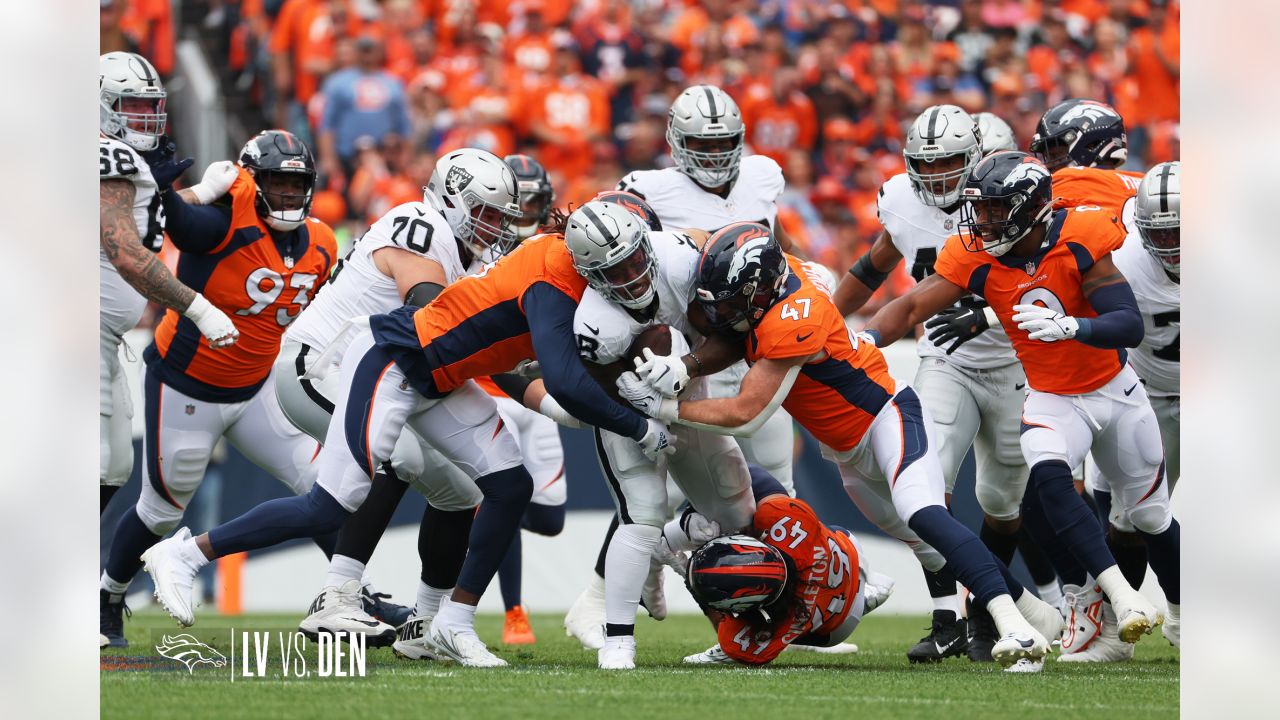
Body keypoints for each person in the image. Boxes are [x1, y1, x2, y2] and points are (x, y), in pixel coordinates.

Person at [141, 196, 677, 668]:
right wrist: (638, 427)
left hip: (441, 378)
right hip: (395, 362)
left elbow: (524, 363)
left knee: (508, 484)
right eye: (616, 264)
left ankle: (448, 624)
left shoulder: (563, 265)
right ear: (583, 259)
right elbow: (562, 377)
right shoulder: (553, 279)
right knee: (331, 505)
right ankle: (186, 553)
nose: (629, 273)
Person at [616, 222, 1063, 670]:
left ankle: (1012, 626)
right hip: (847, 451)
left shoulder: (795, 313)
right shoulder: (775, 283)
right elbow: (740, 333)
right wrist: (688, 363)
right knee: (930, 543)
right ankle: (1036, 613)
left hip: (887, 418)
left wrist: (665, 407)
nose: (722, 312)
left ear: (761, 287)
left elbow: (745, 414)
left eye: (732, 300)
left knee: (924, 513)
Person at [864, 151, 1177, 658]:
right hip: (1045, 394)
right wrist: (865, 337)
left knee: (1146, 517)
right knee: (1028, 486)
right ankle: (1101, 604)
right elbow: (913, 304)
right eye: (979, 209)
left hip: (1113, 388)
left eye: (992, 210)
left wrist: (1075, 326)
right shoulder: (974, 253)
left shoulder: (1080, 235)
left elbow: (1127, 322)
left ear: (1030, 209)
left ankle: (1161, 618)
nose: (980, 221)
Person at [274, 149, 550, 648]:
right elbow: (434, 319)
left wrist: (546, 396)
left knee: (460, 490)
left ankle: (425, 624)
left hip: (390, 375)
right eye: (485, 213)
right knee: (397, 457)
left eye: (500, 217)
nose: (494, 227)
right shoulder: (419, 223)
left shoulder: (474, 257)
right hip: (320, 364)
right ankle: (336, 598)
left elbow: (470, 343)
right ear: (451, 200)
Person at [565, 85, 800, 648]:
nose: (715, 155)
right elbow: (607, 246)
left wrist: (799, 269)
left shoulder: (763, 175)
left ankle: (783, 620)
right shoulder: (649, 188)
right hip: (694, 355)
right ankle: (602, 596)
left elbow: (771, 243)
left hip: (751, 348)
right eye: (701, 142)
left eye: (723, 143)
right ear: (675, 141)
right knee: (660, 495)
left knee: (776, 492)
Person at [100, 129, 337, 648]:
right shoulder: (219, 224)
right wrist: (169, 192)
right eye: (276, 183)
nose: (289, 195)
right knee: (162, 511)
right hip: (189, 386)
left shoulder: (322, 240)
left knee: (330, 487)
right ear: (250, 182)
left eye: (297, 185)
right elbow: (179, 224)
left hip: (259, 389)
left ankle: (347, 597)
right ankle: (109, 594)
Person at [830, 104, 1028, 663]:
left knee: (1001, 501)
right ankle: (947, 617)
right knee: (923, 482)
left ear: (976, 158)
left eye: (950, 165)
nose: (939, 177)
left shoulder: (1003, 194)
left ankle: (986, 616)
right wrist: (824, 319)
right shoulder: (901, 202)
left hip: (1016, 358)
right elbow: (873, 266)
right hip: (945, 356)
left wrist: (989, 316)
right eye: (928, 165)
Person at [566, 198, 757, 669]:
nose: (631, 275)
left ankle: (747, 629)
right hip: (628, 414)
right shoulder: (594, 321)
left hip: (689, 393)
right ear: (591, 276)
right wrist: (638, 413)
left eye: (634, 259)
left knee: (737, 505)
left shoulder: (680, 259)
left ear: (646, 244)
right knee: (644, 512)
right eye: (614, 272)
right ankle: (618, 640)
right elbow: (593, 385)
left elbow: (737, 334)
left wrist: (686, 366)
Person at [98, 51, 239, 648]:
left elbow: (146, 209)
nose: (146, 119)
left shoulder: (128, 161)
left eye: (150, 107)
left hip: (101, 337)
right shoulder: (104, 154)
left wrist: (201, 192)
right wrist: (197, 307)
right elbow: (125, 249)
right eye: (131, 106)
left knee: (114, 467)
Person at [1074, 160, 1181, 660]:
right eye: (1161, 232)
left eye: (1182, 229)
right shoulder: (1122, 255)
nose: (1172, 243)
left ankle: (1185, 617)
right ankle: (1119, 632)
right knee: (1128, 516)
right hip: (1148, 393)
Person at [680, 472, 895, 666]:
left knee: (704, 585)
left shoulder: (740, 643)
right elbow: (754, 476)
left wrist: (694, 512)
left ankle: (858, 597)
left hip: (837, 627)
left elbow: (745, 472)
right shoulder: (783, 517)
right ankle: (858, 588)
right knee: (820, 533)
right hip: (850, 555)